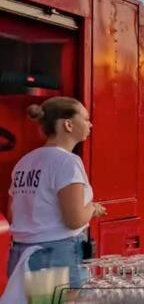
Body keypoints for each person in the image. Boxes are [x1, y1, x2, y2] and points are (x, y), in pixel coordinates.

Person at [5, 98, 106, 292]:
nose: (90, 124)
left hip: (20, 255)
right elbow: (74, 220)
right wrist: (93, 207)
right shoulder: (67, 162)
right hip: (57, 256)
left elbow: (13, 214)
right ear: (68, 124)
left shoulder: (24, 162)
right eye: (85, 118)